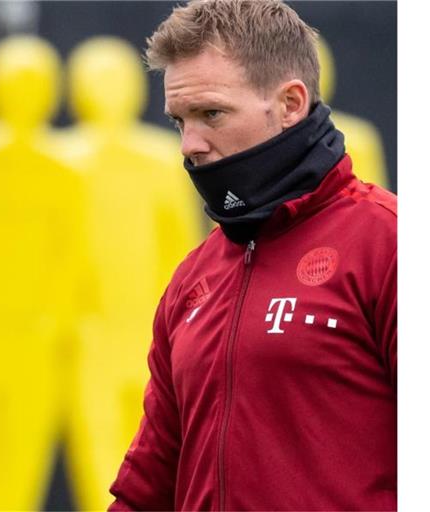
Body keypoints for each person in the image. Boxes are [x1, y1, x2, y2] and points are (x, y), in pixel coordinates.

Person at [108, 1, 396, 510]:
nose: (189, 145)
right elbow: (148, 485)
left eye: (210, 114)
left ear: (290, 103)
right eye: (179, 120)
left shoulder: (390, 245)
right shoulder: (192, 279)